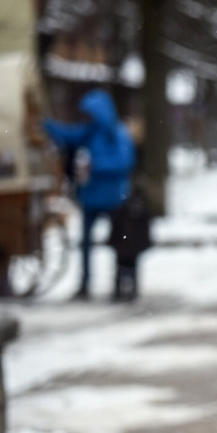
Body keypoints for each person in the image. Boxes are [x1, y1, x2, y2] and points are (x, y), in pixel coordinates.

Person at [42, 88, 136, 300]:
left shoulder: (117, 134)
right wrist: (45, 124)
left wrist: (94, 167)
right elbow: (67, 135)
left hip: (114, 198)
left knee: (118, 242)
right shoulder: (90, 133)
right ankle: (84, 284)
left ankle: (120, 282)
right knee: (85, 244)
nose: (88, 118)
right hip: (91, 198)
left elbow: (124, 162)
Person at [107, 182, 152, 301]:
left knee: (127, 266)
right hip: (125, 244)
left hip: (129, 244)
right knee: (124, 266)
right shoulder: (121, 211)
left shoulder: (139, 212)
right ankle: (125, 288)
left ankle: (126, 288)